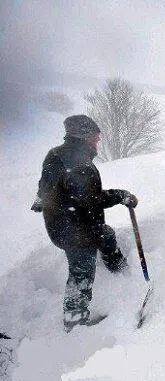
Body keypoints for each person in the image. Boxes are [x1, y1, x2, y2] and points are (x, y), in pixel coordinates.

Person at [31, 115, 138, 332]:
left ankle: (120, 271)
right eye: (95, 136)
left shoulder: (55, 154)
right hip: (74, 230)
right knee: (82, 272)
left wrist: (42, 200)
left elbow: (46, 184)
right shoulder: (80, 164)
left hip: (62, 223)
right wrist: (120, 196)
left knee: (106, 234)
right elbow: (93, 201)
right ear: (84, 137)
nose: (98, 140)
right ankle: (75, 321)